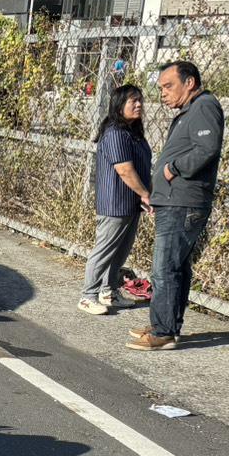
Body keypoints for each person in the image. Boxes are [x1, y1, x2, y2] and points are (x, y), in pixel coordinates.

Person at [127, 60, 226, 351]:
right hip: (174, 201)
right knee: (175, 268)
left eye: (169, 86)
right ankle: (167, 324)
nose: (164, 93)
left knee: (165, 268)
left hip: (184, 202)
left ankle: (163, 332)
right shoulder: (189, 111)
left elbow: (207, 148)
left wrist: (173, 168)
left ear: (190, 83)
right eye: (160, 88)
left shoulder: (204, 106)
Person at [79, 84, 152, 316]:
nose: (139, 104)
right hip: (115, 203)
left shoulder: (132, 132)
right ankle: (88, 295)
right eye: (133, 101)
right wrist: (145, 194)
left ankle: (108, 291)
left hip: (130, 204)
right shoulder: (115, 133)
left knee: (121, 251)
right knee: (104, 250)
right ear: (120, 106)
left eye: (140, 100)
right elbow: (124, 170)